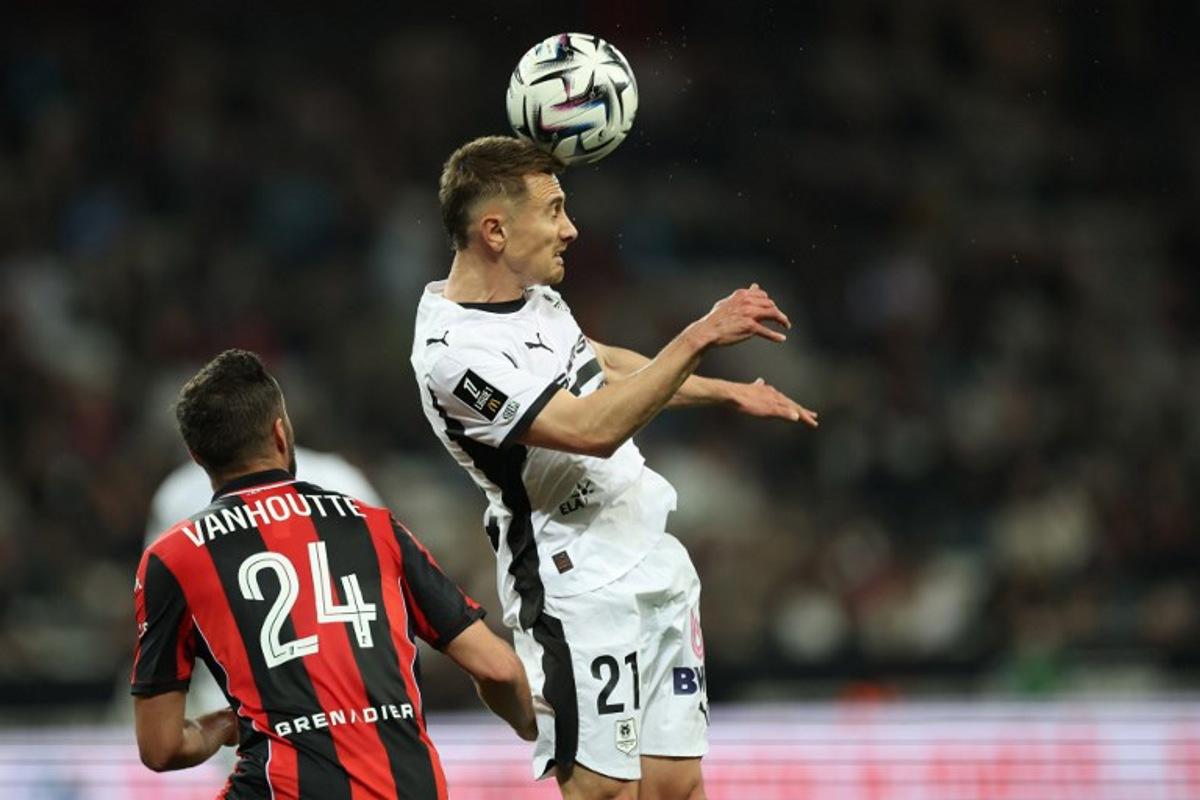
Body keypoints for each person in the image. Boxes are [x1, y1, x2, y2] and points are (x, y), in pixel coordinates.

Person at [410, 136, 817, 800]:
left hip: (649, 552)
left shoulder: (534, 296)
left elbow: (597, 365)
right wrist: (700, 335)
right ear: (495, 231)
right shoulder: (454, 355)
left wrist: (725, 391)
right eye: (553, 211)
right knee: (607, 794)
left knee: (677, 788)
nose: (570, 229)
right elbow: (588, 429)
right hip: (576, 583)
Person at [132, 349, 536, 799]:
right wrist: (531, 729)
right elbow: (499, 670)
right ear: (280, 432)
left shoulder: (172, 555)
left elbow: (161, 747)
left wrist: (224, 725)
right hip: (409, 785)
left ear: (196, 456)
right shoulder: (374, 525)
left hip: (282, 784)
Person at [144, 447, 386, 719]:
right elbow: (381, 586)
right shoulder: (337, 478)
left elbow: (162, 611)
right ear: (279, 430)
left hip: (238, 706)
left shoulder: (180, 492)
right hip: (343, 699)